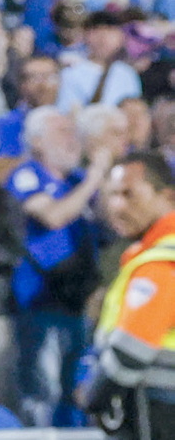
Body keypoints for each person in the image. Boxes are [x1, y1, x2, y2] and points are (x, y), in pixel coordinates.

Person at [10, 105, 115, 426]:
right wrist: (95, 179)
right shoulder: (27, 174)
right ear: (37, 141)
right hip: (41, 303)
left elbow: (110, 229)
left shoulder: (78, 179)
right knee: (45, 391)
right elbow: (53, 216)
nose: (73, 139)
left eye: (73, 131)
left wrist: (106, 185)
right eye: (62, 132)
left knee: (77, 389)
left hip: (79, 301)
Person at [86, 150, 175, 439]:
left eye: (129, 194)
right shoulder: (149, 253)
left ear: (168, 198)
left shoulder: (162, 260)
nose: (117, 206)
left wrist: (96, 393)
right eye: (112, 195)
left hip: (156, 404)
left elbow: (133, 348)